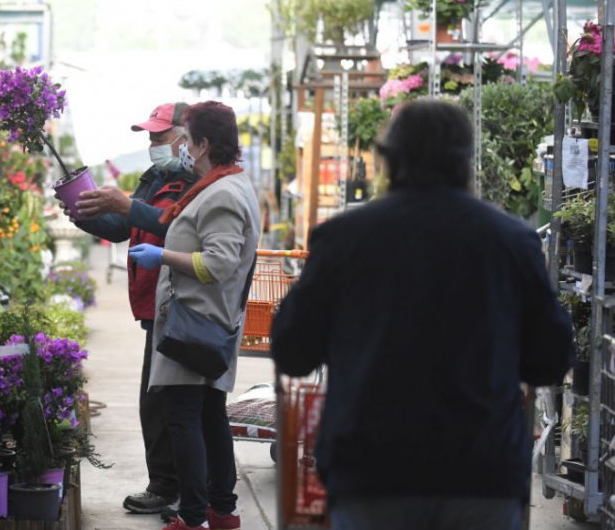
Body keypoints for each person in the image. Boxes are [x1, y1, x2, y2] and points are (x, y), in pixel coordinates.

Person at [270, 100, 574, 530]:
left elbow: (292, 350)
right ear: (466, 161)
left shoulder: (344, 238)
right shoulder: (511, 240)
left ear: (388, 159)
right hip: (481, 473)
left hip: (372, 474)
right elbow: (552, 357)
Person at [128, 101, 261, 530]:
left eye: (186, 139)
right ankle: (222, 511)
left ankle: (193, 517)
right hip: (205, 321)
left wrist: (162, 256)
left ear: (202, 144)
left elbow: (218, 263)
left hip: (197, 324)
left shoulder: (222, 193)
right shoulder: (219, 185)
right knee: (208, 414)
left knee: (184, 416)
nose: (181, 147)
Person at [62, 103, 199, 516]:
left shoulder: (199, 181)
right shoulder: (154, 177)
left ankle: (176, 489)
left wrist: (127, 206)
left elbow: (177, 225)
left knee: (174, 404)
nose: (153, 144)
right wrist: (79, 211)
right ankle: (170, 485)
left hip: (181, 305)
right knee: (155, 400)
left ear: (186, 138)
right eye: (150, 137)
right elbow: (123, 226)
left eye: (160, 136)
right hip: (152, 306)